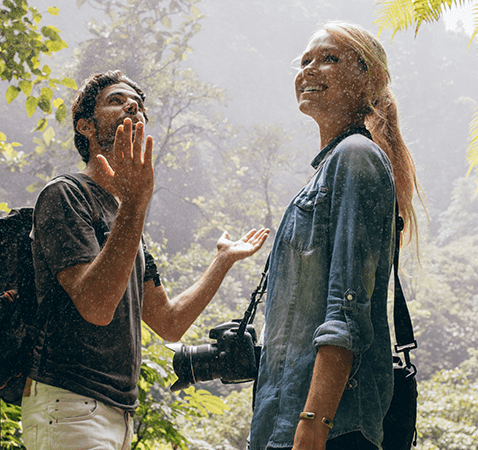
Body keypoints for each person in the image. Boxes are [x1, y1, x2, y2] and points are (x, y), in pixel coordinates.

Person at [21, 70, 269, 450]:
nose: (132, 106)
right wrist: (136, 202)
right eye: (116, 100)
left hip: (118, 414)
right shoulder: (65, 195)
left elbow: (169, 322)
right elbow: (96, 305)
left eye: (138, 105)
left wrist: (223, 260)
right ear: (85, 126)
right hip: (68, 403)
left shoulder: (124, 218)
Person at [248, 22, 421, 450]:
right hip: (286, 422)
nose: (310, 69)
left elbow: (346, 309)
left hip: (330, 427)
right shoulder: (331, 168)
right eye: (305, 61)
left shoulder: (355, 158)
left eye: (329, 59)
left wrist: (312, 423)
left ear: (368, 79)